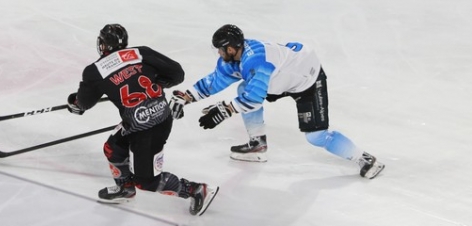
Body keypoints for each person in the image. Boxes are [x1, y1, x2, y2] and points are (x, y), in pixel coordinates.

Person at [169, 24, 385, 179]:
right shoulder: (235, 58)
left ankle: (365, 159)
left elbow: (253, 99)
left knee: (316, 136)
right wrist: (186, 97)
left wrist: (225, 110)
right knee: (244, 88)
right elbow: (215, 81)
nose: (218, 52)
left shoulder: (256, 61)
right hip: (281, 77)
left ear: (231, 48)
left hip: (307, 78)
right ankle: (257, 145)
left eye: (220, 48)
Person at [67, 24, 219, 216]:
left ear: (102, 44)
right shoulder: (141, 52)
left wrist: (75, 102)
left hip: (145, 127)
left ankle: (197, 190)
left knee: (147, 182)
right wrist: (158, 83)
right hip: (159, 116)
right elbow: (177, 74)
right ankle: (125, 188)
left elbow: (84, 103)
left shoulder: (95, 71)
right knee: (113, 149)